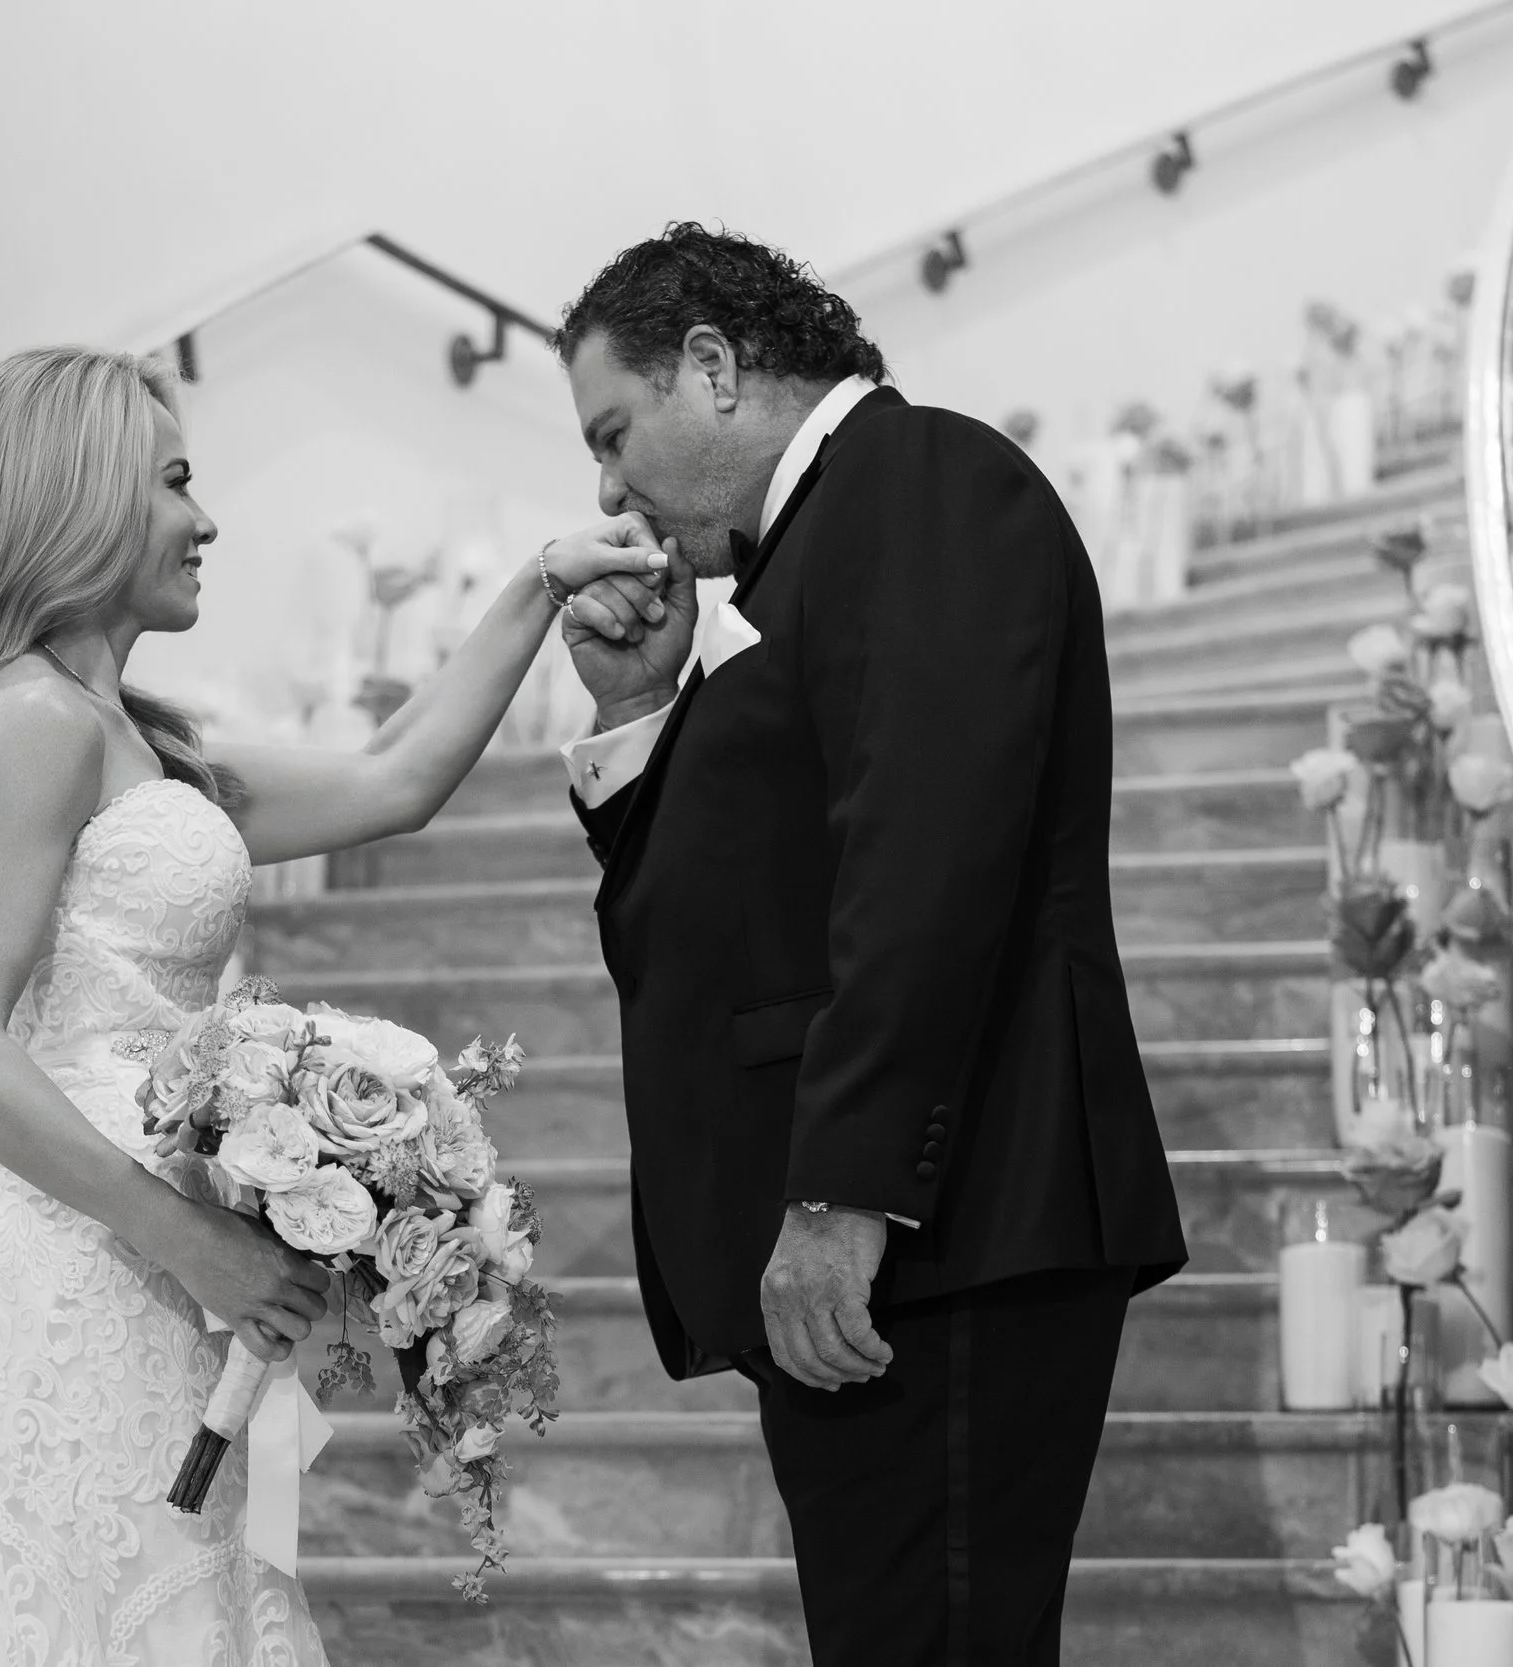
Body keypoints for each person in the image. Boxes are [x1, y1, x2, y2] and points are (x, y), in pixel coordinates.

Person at [0, 346, 664, 1666]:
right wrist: (191, 1241)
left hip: (151, 1268)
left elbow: (391, 776)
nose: (209, 519)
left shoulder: (134, 734)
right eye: (176, 482)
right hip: (78, 1271)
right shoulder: (31, 724)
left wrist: (543, 577)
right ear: (73, 499)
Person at [546, 224, 1188, 1665]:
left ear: (711, 365)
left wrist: (843, 1189)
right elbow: (716, 922)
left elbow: (929, 851)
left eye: (613, 430)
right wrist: (640, 714)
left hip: (938, 1229)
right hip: (912, 1241)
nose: (606, 487)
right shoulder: (812, 552)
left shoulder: (923, 481)